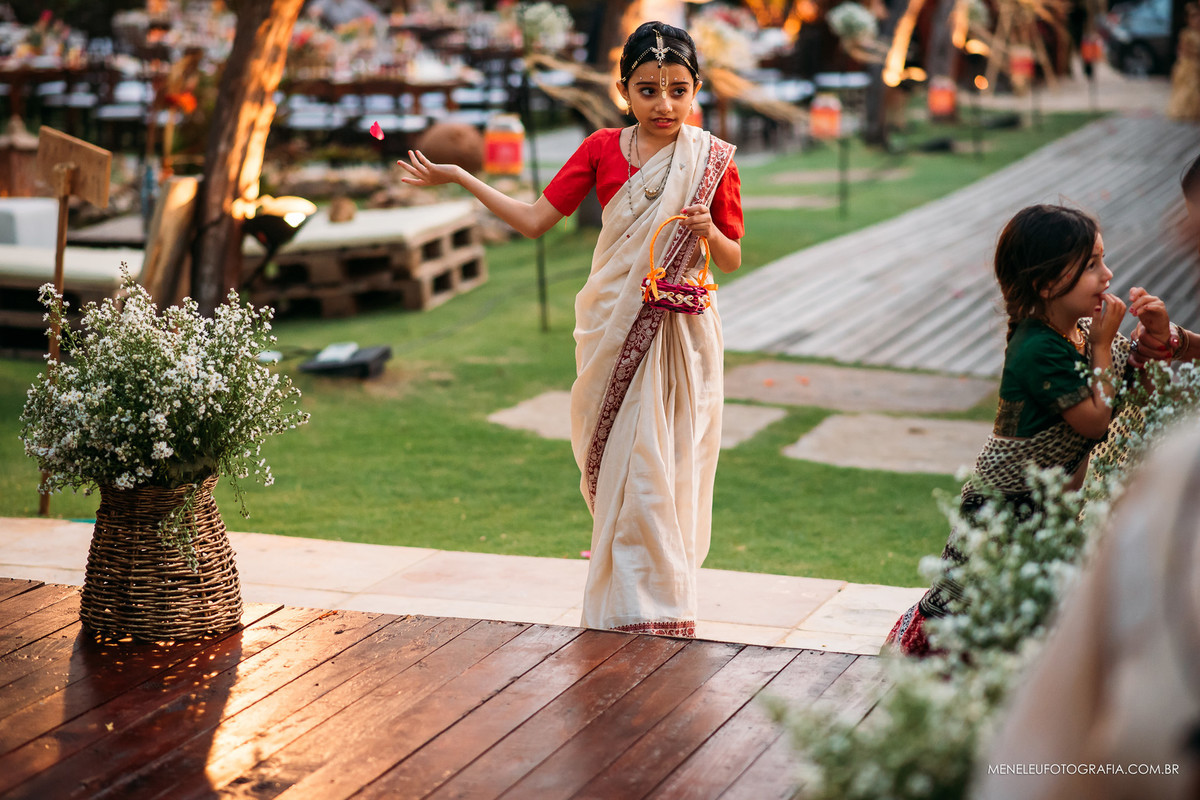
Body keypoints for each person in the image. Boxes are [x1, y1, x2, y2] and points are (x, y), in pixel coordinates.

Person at [397, 21, 743, 637]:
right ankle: (635, 611)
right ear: (622, 91)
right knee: (628, 465)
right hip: (613, 323)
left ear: (696, 91)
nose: (663, 105)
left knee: (661, 463)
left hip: (678, 336)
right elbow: (534, 220)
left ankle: (654, 612)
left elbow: (734, 255)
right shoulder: (601, 150)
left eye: (678, 90)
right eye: (647, 90)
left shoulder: (711, 160)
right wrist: (461, 178)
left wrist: (707, 232)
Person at [885, 204, 1199, 656]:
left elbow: (1133, 384)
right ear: (1047, 284)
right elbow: (1096, 419)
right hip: (1006, 507)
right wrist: (1106, 345)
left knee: (1032, 612)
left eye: (1103, 260)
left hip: (1049, 507)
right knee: (972, 607)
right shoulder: (1036, 347)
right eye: (1091, 265)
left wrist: (1155, 337)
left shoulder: (1082, 332)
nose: (1107, 275)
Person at [1167, 3, 1200, 122]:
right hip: (1190, 64)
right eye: (1194, 17)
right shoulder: (1186, 33)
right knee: (1189, 88)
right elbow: (1184, 50)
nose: (1197, 20)